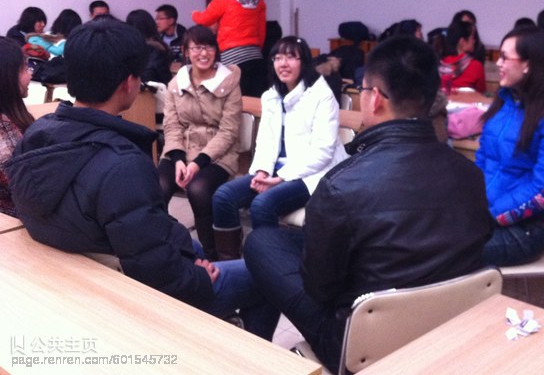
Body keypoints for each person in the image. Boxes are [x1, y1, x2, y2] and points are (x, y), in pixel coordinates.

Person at [242, 36, 494, 374]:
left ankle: (249, 357)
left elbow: (320, 289)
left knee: (259, 243)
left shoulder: (341, 185)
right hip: (447, 328)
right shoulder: (470, 174)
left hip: (358, 342)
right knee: (285, 241)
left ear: (374, 98)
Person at [6, 19, 275, 335]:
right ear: (129, 83)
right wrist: (197, 277)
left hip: (78, 275)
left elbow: (143, 227)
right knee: (268, 275)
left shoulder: (36, 134)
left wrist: (188, 258)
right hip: (130, 296)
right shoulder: (123, 165)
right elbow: (157, 272)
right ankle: (240, 351)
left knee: (196, 249)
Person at [212, 36, 347, 259]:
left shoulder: (321, 96)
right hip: (276, 171)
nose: (283, 63)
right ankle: (231, 263)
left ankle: (271, 264)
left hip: (313, 174)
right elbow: (265, 141)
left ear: (304, 62)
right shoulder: (271, 96)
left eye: (291, 57)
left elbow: (322, 153)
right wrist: (262, 171)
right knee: (223, 196)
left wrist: (280, 177)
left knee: (262, 204)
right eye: (277, 58)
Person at [475, 26, 544, 266]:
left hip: (525, 231)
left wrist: (490, 217)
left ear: (528, 65)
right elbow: (482, 161)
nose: (498, 63)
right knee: (425, 239)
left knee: (442, 252)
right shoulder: (504, 103)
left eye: (505, 57)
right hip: (484, 217)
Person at [159, 25, 245, 260]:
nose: (203, 53)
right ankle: (165, 246)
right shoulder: (176, 84)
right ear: (186, 51)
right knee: (157, 187)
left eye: (208, 47)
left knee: (198, 190)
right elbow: (172, 126)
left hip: (218, 154)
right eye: (196, 48)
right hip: (180, 150)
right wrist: (178, 159)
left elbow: (229, 131)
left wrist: (197, 163)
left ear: (216, 50)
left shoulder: (229, 81)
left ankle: (211, 254)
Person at [192, 0, 267, 97]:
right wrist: (257, 49)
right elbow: (262, 29)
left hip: (232, 58)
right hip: (255, 55)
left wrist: (195, 14)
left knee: (233, 101)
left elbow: (204, 20)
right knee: (255, 102)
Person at [0, 38, 34, 217]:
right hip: (13, 222)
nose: (30, 74)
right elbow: (27, 192)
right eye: (25, 68)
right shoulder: (5, 129)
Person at [126, 9, 172, 84]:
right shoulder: (157, 48)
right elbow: (166, 79)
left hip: (131, 87)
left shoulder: (125, 47)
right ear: (151, 25)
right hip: (154, 88)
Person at [440, 21, 486, 93]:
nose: (474, 41)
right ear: (463, 41)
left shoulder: (439, 63)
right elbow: (481, 93)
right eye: (472, 37)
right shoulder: (476, 66)